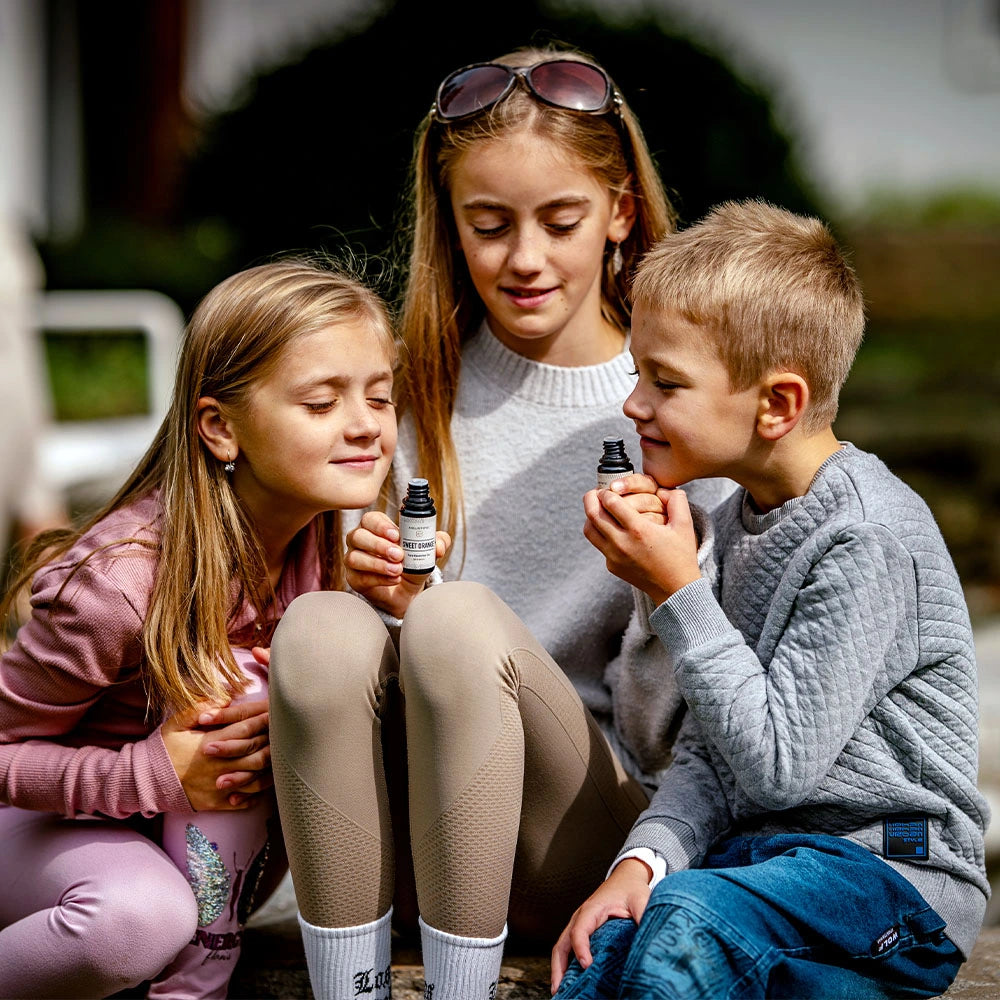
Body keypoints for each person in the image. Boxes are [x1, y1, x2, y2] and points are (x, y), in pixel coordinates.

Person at [269, 45, 733, 1000]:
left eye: (560, 221)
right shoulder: (398, 392)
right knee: (322, 624)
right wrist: (371, 595)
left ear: (621, 213)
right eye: (488, 225)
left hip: (578, 838)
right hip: (399, 845)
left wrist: (662, 588)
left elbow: (690, 734)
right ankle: (347, 987)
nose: (524, 259)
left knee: (455, 620)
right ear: (450, 223)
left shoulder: (680, 411)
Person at [550, 200, 991, 999]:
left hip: (892, 875)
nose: (633, 405)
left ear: (777, 404)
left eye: (666, 381)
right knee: (608, 943)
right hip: (764, 867)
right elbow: (710, 755)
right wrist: (639, 860)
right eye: (636, 375)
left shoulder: (866, 537)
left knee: (689, 919)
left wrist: (677, 589)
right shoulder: (733, 525)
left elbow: (779, 767)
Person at [0, 259, 397, 999]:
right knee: (139, 917)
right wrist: (142, 775)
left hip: (197, 847)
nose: (366, 424)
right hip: (45, 831)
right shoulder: (119, 587)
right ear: (220, 428)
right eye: (321, 402)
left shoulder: (331, 541)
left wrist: (395, 614)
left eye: (380, 395)